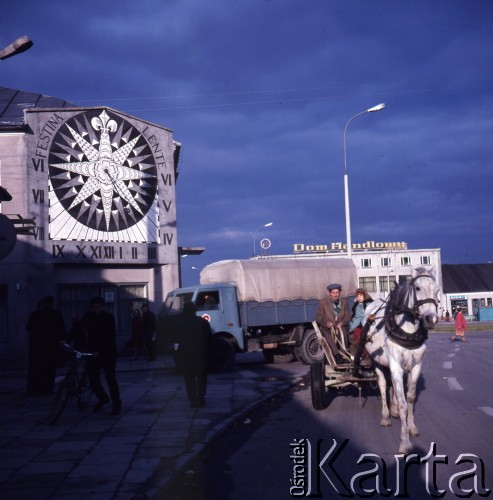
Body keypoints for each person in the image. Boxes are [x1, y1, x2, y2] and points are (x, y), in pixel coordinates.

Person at [79, 297, 122, 415]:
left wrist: (100, 350)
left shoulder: (108, 318)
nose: (96, 309)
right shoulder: (88, 317)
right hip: (93, 353)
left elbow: (110, 337)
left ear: (102, 307)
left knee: (110, 380)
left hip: (107, 353)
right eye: (93, 307)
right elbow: (78, 328)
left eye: (98, 307)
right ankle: (103, 398)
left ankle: (116, 404)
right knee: (93, 379)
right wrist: (65, 339)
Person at [173, 302, 213, 408]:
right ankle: (201, 396)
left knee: (189, 378)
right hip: (200, 354)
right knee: (201, 376)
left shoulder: (178, 323)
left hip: (186, 355)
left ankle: (193, 400)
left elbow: (175, 341)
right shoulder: (203, 322)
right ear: (194, 311)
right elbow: (210, 339)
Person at [26, 295, 66, 395]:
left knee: (36, 369)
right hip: (51, 347)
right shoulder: (56, 314)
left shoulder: (35, 314)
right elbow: (61, 330)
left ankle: (35, 389)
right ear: (52, 303)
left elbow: (29, 327)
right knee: (49, 370)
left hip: (37, 346)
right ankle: (47, 389)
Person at [316, 283, 351, 365]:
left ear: (340, 293)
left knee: (343, 332)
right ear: (330, 293)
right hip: (327, 328)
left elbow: (348, 316)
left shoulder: (344, 302)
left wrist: (342, 323)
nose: (335, 295)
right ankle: (336, 356)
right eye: (333, 292)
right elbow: (319, 317)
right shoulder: (323, 302)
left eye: (337, 292)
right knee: (328, 335)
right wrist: (326, 323)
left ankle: (343, 355)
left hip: (339, 327)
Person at [348, 288, 374, 378]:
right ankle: (356, 356)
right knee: (354, 335)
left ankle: (366, 357)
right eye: (357, 296)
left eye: (361, 296)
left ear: (364, 295)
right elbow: (354, 316)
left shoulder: (370, 304)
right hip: (357, 324)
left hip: (367, 324)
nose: (359, 298)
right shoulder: (356, 305)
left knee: (364, 337)